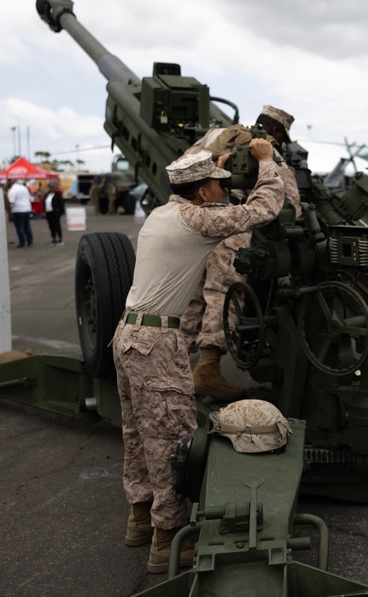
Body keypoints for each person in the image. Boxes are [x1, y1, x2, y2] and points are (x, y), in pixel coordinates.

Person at [113, 141, 283, 574]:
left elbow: (206, 196)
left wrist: (215, 168)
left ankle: (139, 519)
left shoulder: (163, 213)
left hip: (128, 334)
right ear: (203, 193)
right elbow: (262, 210)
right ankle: (169, 541)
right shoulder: (197, 219)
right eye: (217, 185)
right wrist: (265, 162)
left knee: (137, 435)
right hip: (156, 342)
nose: (224, 190)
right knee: (172, 442)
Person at [182, 106, 302, 397]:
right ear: (275, 131)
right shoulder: (267, 149)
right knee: (225, 291)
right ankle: (208, 368)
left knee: (195, 292)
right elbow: (292, 207)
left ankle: (176, 362)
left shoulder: (219, 136)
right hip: (232, 224)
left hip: (197, 218)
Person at [7, 180, 34, 248]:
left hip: (18, 210)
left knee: (19, 226)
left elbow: (11, 201)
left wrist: (10, 210)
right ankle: (30, 240)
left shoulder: (13, 190)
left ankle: (22, 242)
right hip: (27, 209)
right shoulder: (25, 188)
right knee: (27, 225)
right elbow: (30, 198)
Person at [43, 181, 66, 245]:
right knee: (51, 226)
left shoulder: (57, 195)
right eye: (50, 187)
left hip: (55, 212)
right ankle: (53, 238)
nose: (52, 188)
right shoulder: (46, 195)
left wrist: (61, 212)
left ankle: (60, 239)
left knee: (57, 225)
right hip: (48, 212)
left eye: (53, 187)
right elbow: (44, 203)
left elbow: (61, 204)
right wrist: (44, 211)